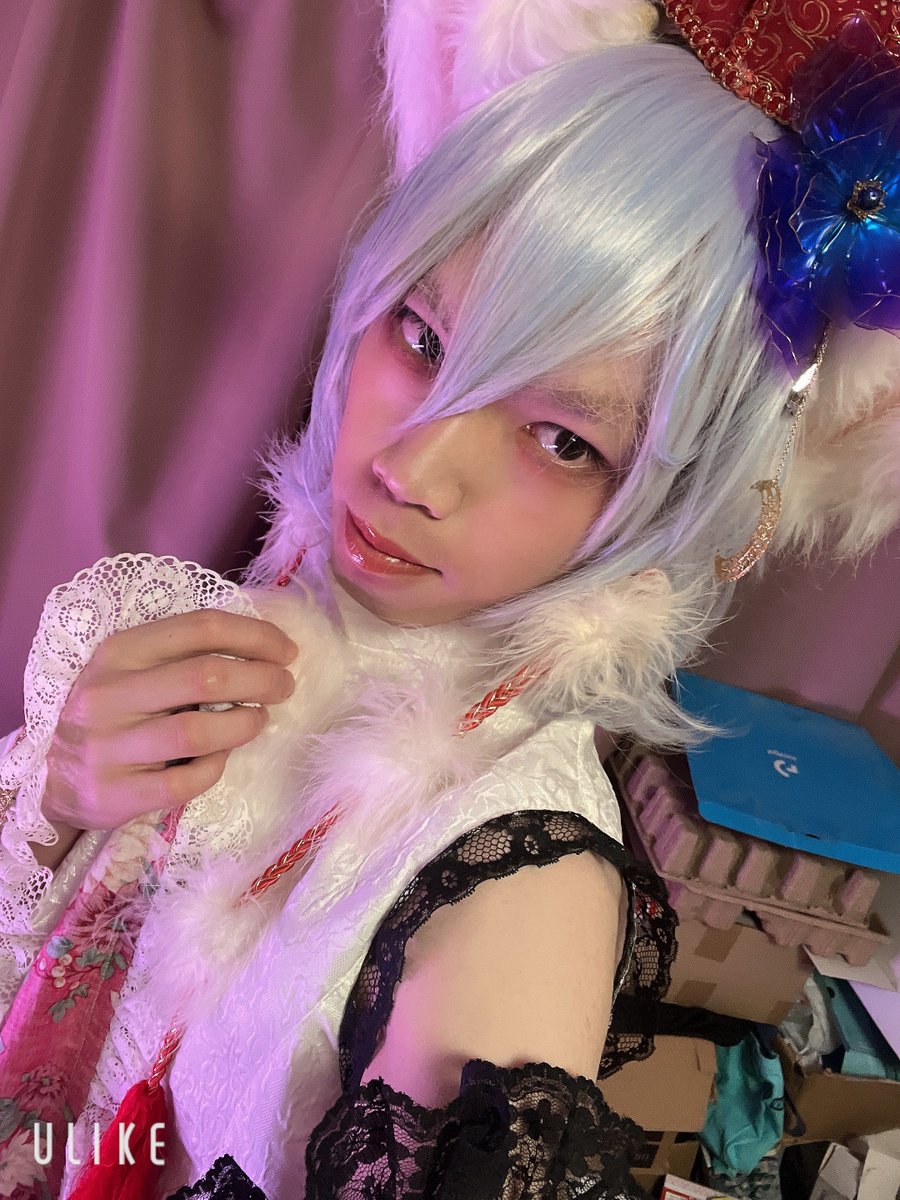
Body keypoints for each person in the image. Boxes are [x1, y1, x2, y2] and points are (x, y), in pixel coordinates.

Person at [0, 1, 898, 1197]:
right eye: (422, 336)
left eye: (563, 440)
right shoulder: (244, 613)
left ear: (680, 505)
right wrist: (58, 808)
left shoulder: (513, 898)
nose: (411, 470)